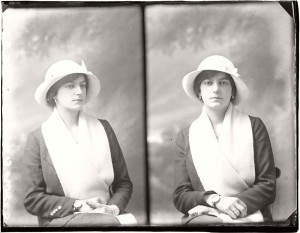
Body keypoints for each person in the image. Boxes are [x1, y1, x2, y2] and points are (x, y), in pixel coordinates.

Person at [23, 60, 133, 227]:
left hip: (106, 215)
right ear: (53, 94)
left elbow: (123, 183)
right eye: (70, 86)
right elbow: (32, 199)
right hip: (62, 218)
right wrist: (76, 205)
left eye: (82, 85)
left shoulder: (103, 128)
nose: (79, 91)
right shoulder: (38, 138)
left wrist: (112, 208)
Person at [173, 55, 276, 225]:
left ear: (233, 91)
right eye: (208, 82)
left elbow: (267, 186)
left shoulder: (254, 126)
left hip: (249, 212)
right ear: (199, 91)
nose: (216, 89)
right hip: (204, 215)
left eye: (223, 83)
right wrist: (216, 201)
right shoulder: (186, 135)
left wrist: (228, 205)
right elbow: (180, 196)